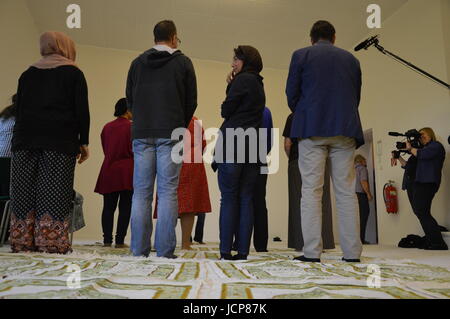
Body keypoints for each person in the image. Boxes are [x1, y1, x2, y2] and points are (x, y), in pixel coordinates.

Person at [286, 20, 364, 263]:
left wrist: (306, 112)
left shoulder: (301, 55)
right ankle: (352, 254)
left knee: (311, 191)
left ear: (311, 38)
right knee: (346, 192)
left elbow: (291, 94)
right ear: (334, 37)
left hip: (312, 127)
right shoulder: (351, 59)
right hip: (345, 127)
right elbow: (355, 95)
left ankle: (312, 253)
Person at [10, 31, 90, 254]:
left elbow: (20, 109)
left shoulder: (27, 74)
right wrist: (83, 141)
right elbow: (81, 111)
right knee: (54, 189)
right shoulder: (73, 73)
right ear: (65, 47)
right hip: (59, 140)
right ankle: (51, 242)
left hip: (25, 139)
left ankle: (22, 241)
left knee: (23, 190)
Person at [126, 20, 197, 258]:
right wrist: (178, 123)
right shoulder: (183, 63)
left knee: (141, 193)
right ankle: (165, 251)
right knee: (168, 192)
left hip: (142, 132)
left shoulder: (137, 63)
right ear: (174, 37)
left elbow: (130, 100)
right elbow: (191, 101)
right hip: (171, 132)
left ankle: (138, 249)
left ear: (155, 37)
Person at [213, 45, 265, 261]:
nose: (232, 63)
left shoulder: (241, 81)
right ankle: (242, 251)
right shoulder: (260, 84)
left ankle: (226, 250)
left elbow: (226, 110)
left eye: (236, 59)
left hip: (233, 141)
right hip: (252, 144)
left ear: (246, 60)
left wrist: (231, 86)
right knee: (246, 198)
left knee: (228, 198)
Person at [154, 117, 211, 250]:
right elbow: (203, 146)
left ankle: (164, 242)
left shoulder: (167, 119)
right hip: (193, 164)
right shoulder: (195, 121)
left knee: (168, 201)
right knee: (189, 206)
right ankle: (186, 243)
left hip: (171, 162)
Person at [283, 113, 335, 252]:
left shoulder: (293, 116)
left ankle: (301, 242)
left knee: (298, 202)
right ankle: (322, 242)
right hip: (320, 161)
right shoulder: (323, 113)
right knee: (322, 201)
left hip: (297, 161)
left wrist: (293, 158)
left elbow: (288, 144)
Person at [391, 127, 447, 250]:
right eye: (419, 135)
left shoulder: (436, 146)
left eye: (423, 134)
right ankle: (432, 240)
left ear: (431, 135)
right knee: (420, 212)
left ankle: (438, 243)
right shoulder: (420, 150)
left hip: (427, 182)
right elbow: (409, 166)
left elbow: (423, 154)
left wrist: (410, 148)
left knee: (422, 212)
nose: (421, 137)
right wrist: (398, 156)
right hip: (417, 183)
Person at [94, 98, 133, 248]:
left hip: (109, 169)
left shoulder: (107, 127)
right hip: (128, 171)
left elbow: (105, 148)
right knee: (125, 207)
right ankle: (120, 240)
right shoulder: (132, 127)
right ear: (127, 110)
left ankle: (106, 240)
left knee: (108, 207)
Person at [252, 106, 273, 252]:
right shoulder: (266, 111)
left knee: (240, 199)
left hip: (242, 158)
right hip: (261, 158)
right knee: (260, 201)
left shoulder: (239, 106)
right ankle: (261, 245)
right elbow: (269, 141)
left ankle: (237, 242)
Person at [0, 94, 17, 241]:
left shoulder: (3, 117)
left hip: (0, 160)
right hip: (11, 161)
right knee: (12, 197)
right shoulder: (21, 119)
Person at [354, 155, 373, 244]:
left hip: (353, 196)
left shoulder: (351, 169)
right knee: (363, 216)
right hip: (361, 195)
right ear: (361, 160)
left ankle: (356, 239)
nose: (366, 162)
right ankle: (361, 239)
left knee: (356, 218)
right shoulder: (362, 169)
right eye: (365, 160)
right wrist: (368, 193)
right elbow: (363, 181)